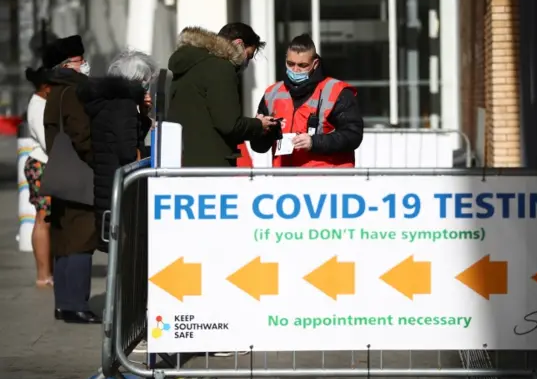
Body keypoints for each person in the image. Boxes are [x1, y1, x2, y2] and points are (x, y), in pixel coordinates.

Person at [41, 35, 100, 324]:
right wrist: (98, 159)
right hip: (80, 173)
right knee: (82, 237)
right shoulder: (76, 91)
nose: (84, 65)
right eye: (80, 61)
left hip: (60, 171)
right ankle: (76, 304)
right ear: (69, 64)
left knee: (64, 240)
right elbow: (82, 134)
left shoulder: (55, 91)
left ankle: (63, 303)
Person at [167, 22, 278, 167]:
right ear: (239, 44)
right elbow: (229, 124)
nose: (247, 63)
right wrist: (259, 124)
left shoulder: (192, 64)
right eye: (249, 56)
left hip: (183, 159)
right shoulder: (221, 68)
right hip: (212, 164)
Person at [78, 50, 157, 251]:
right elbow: (127, 150)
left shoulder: (109, 102)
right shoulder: (124, 105)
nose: (147, 87)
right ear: (136, 80)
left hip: (107, 180)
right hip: (120, 185)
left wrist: (143, 114)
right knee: (127, 249)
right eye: (145, 82)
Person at [250, 34, 364, 167]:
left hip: (327, 181)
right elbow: (259, 147)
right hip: (285, 181)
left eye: (302, 65)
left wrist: (314, 142)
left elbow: (353, 135)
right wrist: (260, 131)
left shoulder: (337, 92)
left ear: (315, 64)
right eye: (290, 64)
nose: (295, 70)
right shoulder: (272, 94)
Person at [24, 66, 53, 288]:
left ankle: (46, 271)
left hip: (44, 163)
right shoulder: (38, 107)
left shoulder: (43, 103)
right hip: (41, 164)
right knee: (43, 217)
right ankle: (43, 274)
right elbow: (47, 142)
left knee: (45, 218)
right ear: (44, 87)